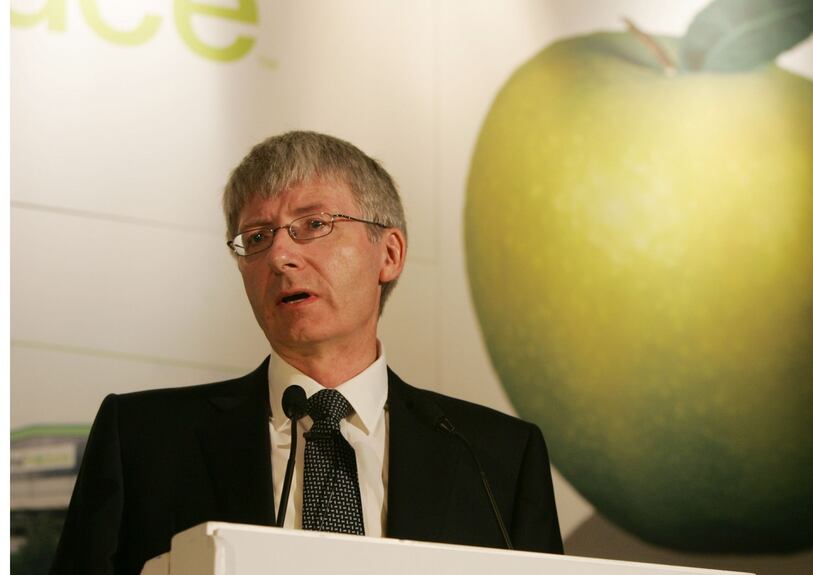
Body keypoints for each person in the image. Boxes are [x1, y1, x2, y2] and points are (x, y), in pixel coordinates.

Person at [51, 131, 563, 574]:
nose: (279, 256)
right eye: (257, 236)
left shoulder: (496, 458)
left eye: (314, 225)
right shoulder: (143, 442)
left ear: (389, 253)